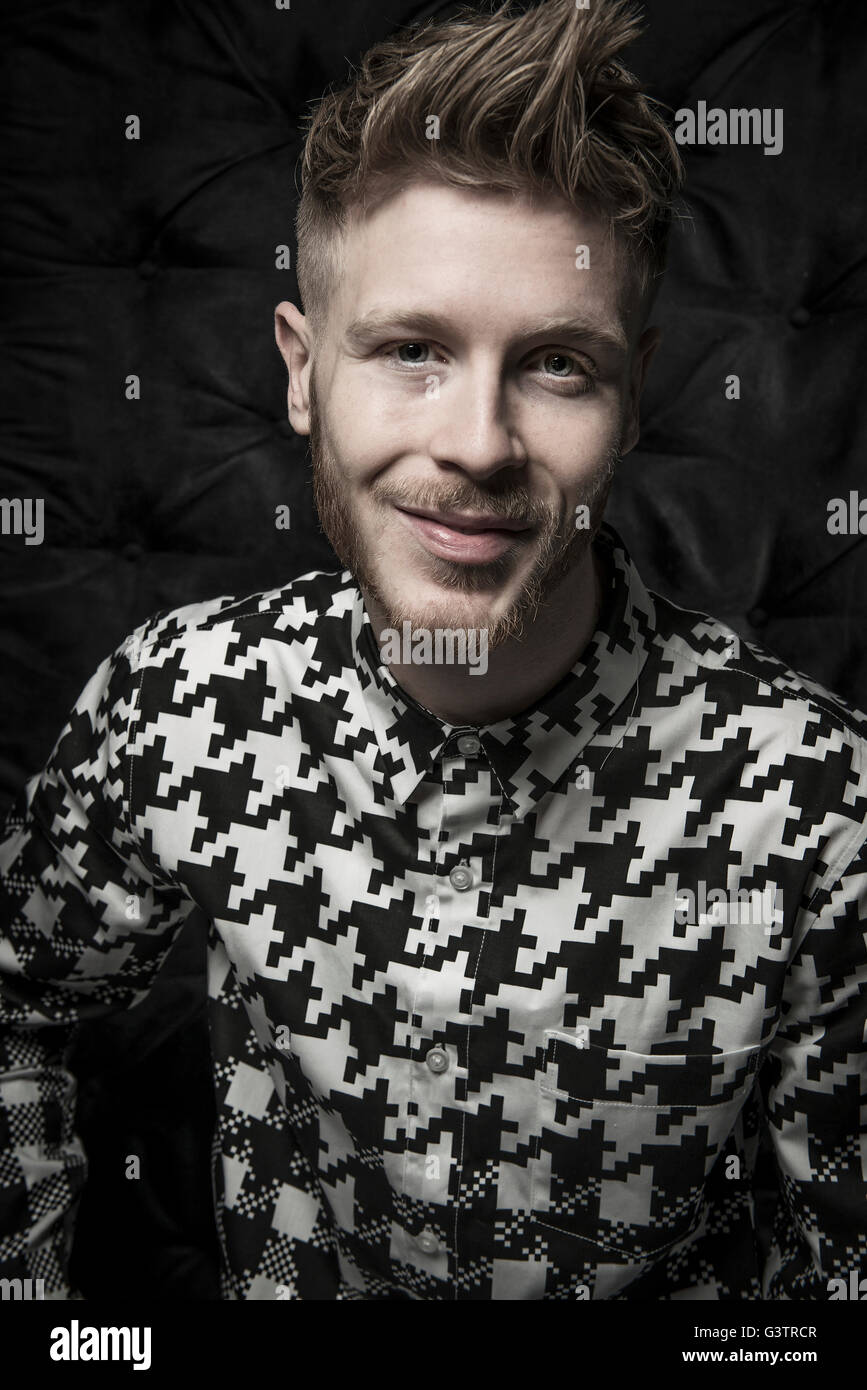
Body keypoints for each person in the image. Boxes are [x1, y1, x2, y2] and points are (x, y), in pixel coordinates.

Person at [1, 0, 865, 1301]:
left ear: (634, 393)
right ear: (302, 372)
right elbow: (15, 996)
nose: (476, 442)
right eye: (409, 349)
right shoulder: (182, 702)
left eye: (558, 365)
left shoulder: (819, 802)